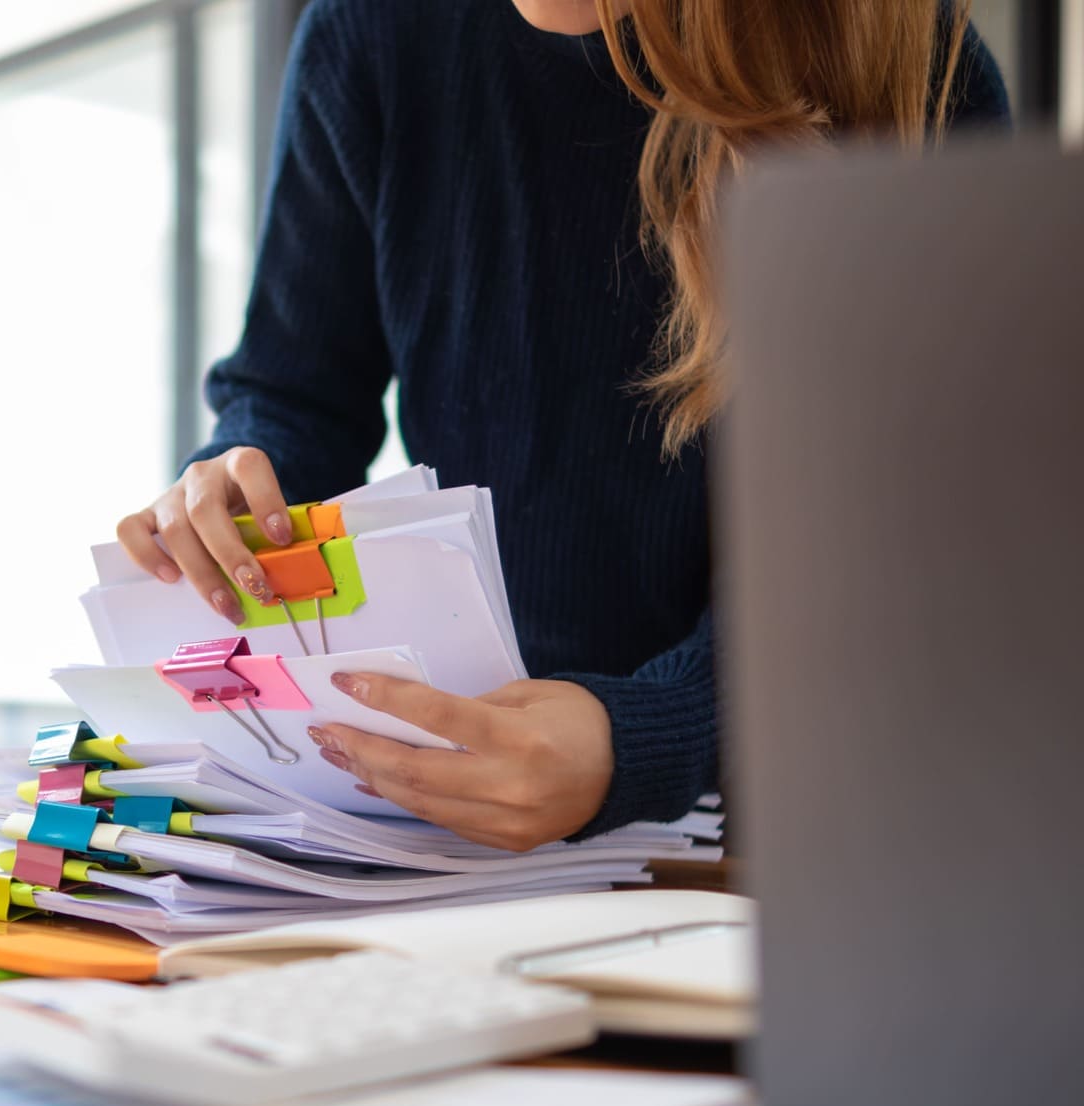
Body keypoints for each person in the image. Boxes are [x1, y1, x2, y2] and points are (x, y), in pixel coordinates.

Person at [115, 0, 1008, 851]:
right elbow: (299, 392)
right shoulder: (369, 34)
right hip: (477, 800)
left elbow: (904, 536)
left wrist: (642, 733)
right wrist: (238, 481)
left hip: (815, 815)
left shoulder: (900, 60)